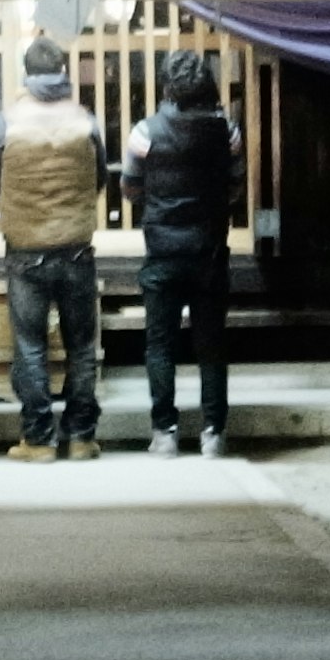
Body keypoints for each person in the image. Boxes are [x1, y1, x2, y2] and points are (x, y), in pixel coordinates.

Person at [0, 34, 105, 461]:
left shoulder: (4, 123)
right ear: (64, 71)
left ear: (26, 73)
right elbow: (100, 177)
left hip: (25, 249)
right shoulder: (87, 120)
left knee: (31, 346)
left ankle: (37, 440)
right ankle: (80, 438)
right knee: (82, 347)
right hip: (75, 247)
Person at [122, 50, 243, 457]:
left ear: (168, 85)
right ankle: (213, 433)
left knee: (160, 344)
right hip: (208, 250)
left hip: (162, 251)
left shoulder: (145, 132)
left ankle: (165, 432)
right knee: (211, 343)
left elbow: (130, 187)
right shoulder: (228, 131)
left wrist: (158, 205)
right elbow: (235, 187)